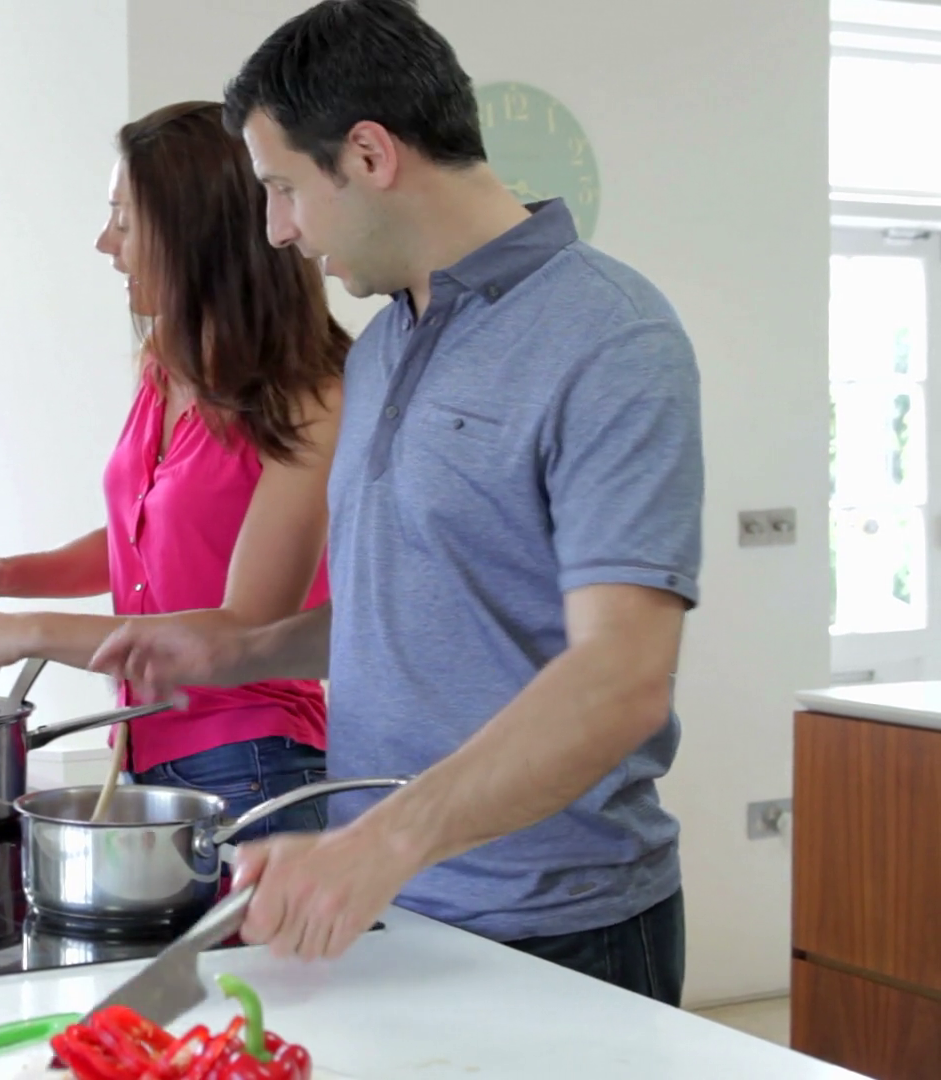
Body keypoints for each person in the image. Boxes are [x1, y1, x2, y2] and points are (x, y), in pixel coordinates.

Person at [91, 0, 702, 1005]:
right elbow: (412, 614)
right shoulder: (380, 350)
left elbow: (622, 678)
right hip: (398, 912)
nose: (278, 230)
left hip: (561, 929)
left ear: (370, 155)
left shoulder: (611, 338)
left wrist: (381, 843)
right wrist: (240, 651)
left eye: (284, 189)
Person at [0, 101, 349, 841]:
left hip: (257, 763)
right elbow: (143, 538)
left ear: (196, 234)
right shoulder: (164, 365)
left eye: (124, 220)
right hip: (145, 756)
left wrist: (19, 633)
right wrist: (5, 576)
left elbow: (245, 629)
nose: (105, 242)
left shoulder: (314, 398)